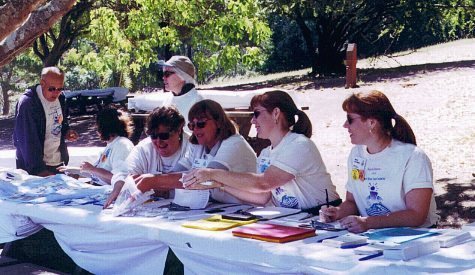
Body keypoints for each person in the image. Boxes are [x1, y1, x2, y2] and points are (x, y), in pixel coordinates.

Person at [184, 90, 340, 210]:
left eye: (256, 114)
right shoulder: (266, 152)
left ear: (276, 113)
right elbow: (262, 197)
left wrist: (212, 174)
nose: (252, 121)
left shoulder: (299, 145)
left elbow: (264, 184)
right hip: (299, 220)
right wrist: (219, 184)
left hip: (324, 217)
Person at [320, 90, 439, 233]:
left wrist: (368, 223)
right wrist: (337, 213)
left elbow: (416, 215)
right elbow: (352, 202)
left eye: (350, 119)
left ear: (371, 122)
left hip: (415, 238)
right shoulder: (356, 154)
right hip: (373, 236)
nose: (345, 125)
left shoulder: (413, 157)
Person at [133, 99, 258, 204]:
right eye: (192, 125)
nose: (196, 129)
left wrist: (153, 181)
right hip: (218, 208)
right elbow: (175, 174)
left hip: (247, 209)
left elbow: (206, 179)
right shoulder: (198, 145)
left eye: (201, 124)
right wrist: (155, 185)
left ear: (218, 122)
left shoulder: (233, 144)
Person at [104, 106, 189, 208]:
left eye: (164, 136)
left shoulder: (193, 146)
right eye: (153, 136)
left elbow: (199, 181)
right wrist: (118, 187)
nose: (158, 142)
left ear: (178, 131)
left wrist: (156, 184)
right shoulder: (144, 148)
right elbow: (123, 173)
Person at [13, 67, 78, 176]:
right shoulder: (28, 103)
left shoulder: (61, 98)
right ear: (42, 83)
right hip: (35, 168)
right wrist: (39, 170)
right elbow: (26, 140)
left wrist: (67, 131)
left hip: (57, 163)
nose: (56, 93)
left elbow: (61, 122)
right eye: (52, 88)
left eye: (60, 88)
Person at [74, 106, 134, 185]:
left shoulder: (122, 145)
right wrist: (70, 170)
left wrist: (92, 169)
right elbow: (96, 174)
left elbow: (120, 178)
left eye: (98, 126)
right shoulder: (112, 144)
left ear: (104, 127)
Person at [158, 55, 204, 129]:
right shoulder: (167, 99)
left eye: (167, 74)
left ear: (182, 76)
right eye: (163, 74)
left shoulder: (198, 102)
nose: (163, 78)